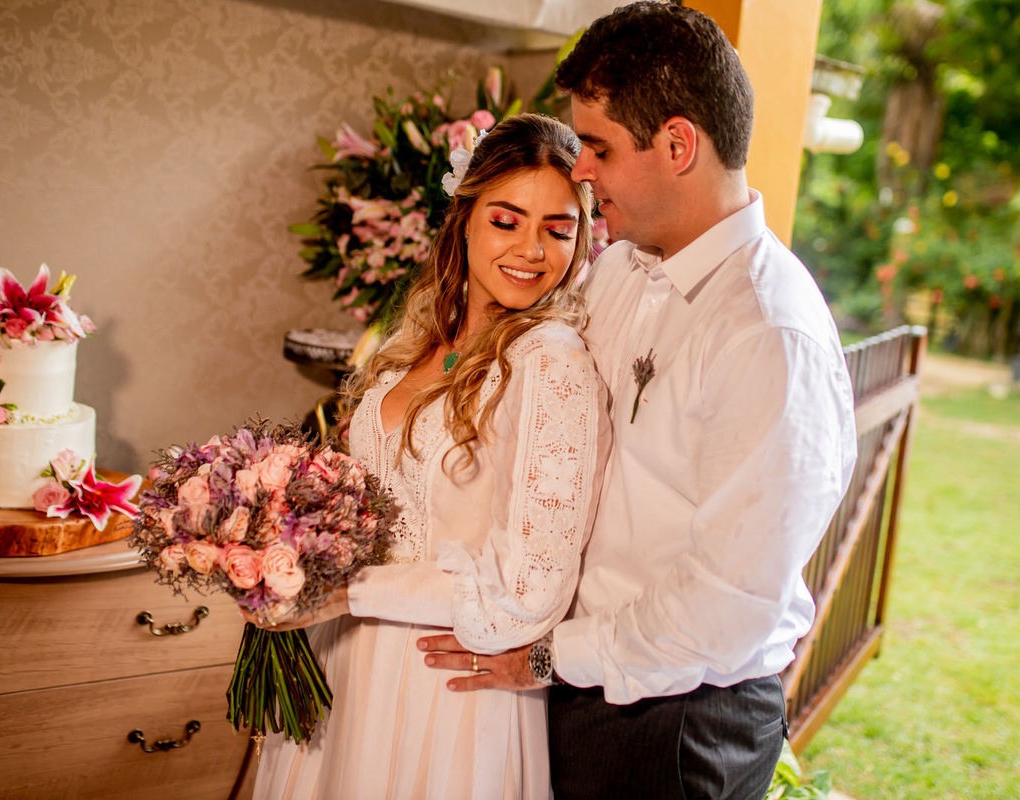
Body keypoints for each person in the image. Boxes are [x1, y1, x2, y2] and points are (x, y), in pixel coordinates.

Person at [418, 4, 858, 799]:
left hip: (675, 722)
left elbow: (727, 607)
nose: (581, 171)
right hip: (578, 683)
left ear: (678, 145)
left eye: (600, 147)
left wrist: (546, 657)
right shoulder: (620, 268)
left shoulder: (769, 335)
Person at [251, 113, 611, 799]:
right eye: (506, 221)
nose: (531, 250)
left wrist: (344, 593)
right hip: (343, 665)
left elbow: (527, 591)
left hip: (443, 689)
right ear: (464, 220)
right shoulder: (421, 339)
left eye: (557, 230)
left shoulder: (550, 364)